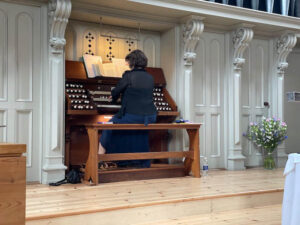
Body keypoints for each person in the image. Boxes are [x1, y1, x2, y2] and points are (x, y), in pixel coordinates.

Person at [99, 50, 157, 168]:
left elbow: (117, 90)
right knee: (129, 129)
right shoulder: (150, 77)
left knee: (108, 125)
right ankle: (130, 161)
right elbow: (140, 95)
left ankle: (99, 159)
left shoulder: (128, 75)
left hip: (134, 116)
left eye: (128, 61)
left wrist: (114, 97)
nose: (128, 64)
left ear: (133, 62)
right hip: (150, 117)